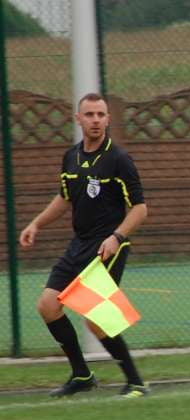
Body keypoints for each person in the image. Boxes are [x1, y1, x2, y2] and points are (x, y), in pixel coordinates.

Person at [19, 93, 150, 399]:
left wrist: (116, 237)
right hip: (79, 244)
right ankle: (82, 374)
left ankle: (136, 383)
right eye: (89, 114)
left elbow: (140, 209)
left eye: (100, 115)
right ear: (78, 119)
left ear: (108, 119)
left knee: (96, 319)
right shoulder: (70, 158)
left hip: (108, 246)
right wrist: (36, 223)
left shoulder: (118, 159)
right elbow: (66, 197)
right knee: (48, 306)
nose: (95, 120)